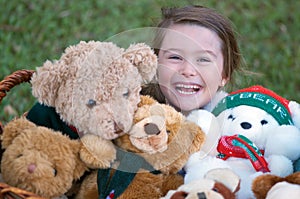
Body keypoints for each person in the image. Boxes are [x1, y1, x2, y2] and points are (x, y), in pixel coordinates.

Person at [141, 5, 243, 115]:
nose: (187, 71)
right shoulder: (133, 114)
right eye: (175, 57)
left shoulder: (237, 123)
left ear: (224, 74)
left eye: (203, 59)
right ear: (155, 64)